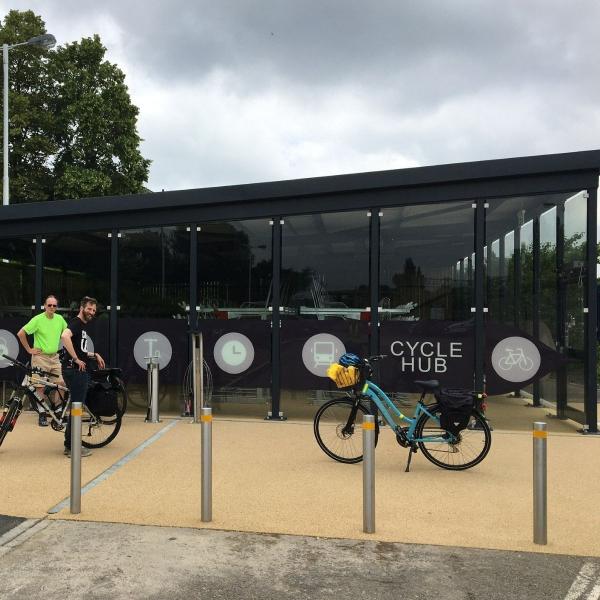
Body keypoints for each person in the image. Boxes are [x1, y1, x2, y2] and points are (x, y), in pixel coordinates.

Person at [60, 296, 105, 458]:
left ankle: (69, 444)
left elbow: (80, 349)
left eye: (94, 310)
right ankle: (72, 447)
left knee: (76, 407)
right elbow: (65, 337)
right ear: (82, 308)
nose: (92, 312)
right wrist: (76, 359)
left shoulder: (82, 326)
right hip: (76, 371)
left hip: (77, 370)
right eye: (89, 309)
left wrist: (94, 355)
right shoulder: (77, 323)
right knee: (77, 408)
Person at [17, 295, 68, 427]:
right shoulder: (37, 319)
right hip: (40, 358)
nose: (52, 307)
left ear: (56, 307)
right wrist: (29, 349)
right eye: (49, 305)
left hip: (55, 357)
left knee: (61, 384)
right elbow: (21, 333)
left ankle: (57, 411)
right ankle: (42, 414)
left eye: (54, 305)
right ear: (45, 306)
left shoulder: (60, 319)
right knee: (40, 387)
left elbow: (67, 334)